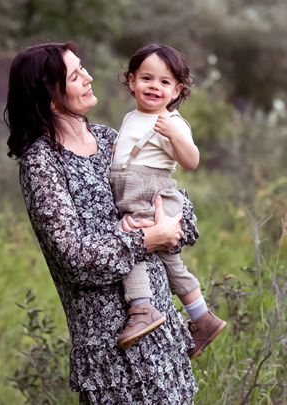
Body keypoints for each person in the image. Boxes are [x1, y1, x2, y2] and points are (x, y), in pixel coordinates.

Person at [5, 42, 199, 403]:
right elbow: (74, 258)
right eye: (76, 75)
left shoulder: (111, 138)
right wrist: (148, 239)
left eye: (84, 69)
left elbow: (174, 199)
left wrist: (171, 225)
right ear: (50, 94)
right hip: (113, 353)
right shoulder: (42, 163)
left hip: (164, 339)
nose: (89, 77)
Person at [111, 44, 226, 359]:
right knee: (170, 261)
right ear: (132, 80)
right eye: (147, 78)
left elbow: (191, 160)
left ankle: (142, 307)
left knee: (130, 241)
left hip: (151, 193)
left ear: (178, 90)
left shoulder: (172, 122)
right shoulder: (131, 116)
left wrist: (175, 135)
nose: (154, 87)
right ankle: (202, 317)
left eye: (164, 82)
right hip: (135, 191)